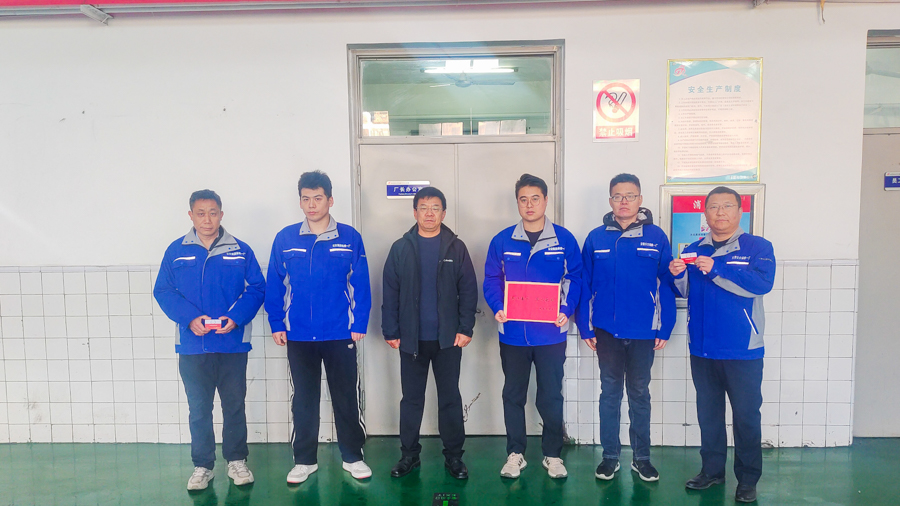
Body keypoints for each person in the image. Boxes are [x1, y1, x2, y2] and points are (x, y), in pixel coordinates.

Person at [668, 186, 775, 503]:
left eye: (727, 206)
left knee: (746, 417)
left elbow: (761, 284)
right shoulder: (693, 249)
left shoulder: (758, 247)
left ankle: (748, 479)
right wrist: (677, 274)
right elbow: (686, 291)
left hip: (743, 349)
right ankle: (712, 471)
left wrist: (717, 268)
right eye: (713, 207)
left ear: (740, 211)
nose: (720, 212)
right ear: (705, 213)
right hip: (703, 349)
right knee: (709, 415)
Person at [265, 171, 372, 484]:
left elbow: (361, 283)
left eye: (318, 198)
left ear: (330, 200)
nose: (311, 205)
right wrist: (277, 322)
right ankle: (304, 460)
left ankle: (353, 457)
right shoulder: (285, 239)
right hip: (299, 334)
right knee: (304, 400)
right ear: (300, 201)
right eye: (306, 199)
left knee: (346, 397)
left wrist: (359, 322)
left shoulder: (349, 237)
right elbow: (276, 284)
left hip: (340, 333)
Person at [153, 189, 265, 491]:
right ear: (191, 216)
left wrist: (236, 317)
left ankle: (237, 461)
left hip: (232, 344)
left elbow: (257, 288)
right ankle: (202, 466)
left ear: (221, 215)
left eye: (213, 213)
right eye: (201, 213)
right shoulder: (176, 251)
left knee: (234, 405)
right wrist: (190, 318)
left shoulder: (241, 251)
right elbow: (163, 290)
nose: (207, 219)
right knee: (199, 409)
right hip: (193, 346)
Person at [576, 173, 676, 482]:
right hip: (606, 330)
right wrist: (585, 327)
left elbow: (667, 284)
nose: (623, 201)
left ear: (640, 200)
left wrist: (665, 327)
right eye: (618, 196)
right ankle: (610, 457)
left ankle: (641, 458)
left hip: (644, 331)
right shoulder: (596, 238)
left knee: (639, 394)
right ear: (610, 201)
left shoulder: (656, 237)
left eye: (630, 196)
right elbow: (584, 284)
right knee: (609, 393)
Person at [483, 173, 582, 480]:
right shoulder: (502, 240)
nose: (529, 205)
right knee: (513, 394)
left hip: (551, 333)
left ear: (545, 201)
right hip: (513, 333)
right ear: (517, 203)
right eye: (523, 199)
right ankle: (515, 453)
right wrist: (498, 306)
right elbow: (492, 279)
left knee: (550, 395)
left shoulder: (564, 240)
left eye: (535, 199)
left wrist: (566, 309)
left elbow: (575, 277)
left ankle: (553, 454)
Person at [382, 186, 478, 480]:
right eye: (423, 208)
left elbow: (468, 290)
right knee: (411, 400)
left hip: (448, 339)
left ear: (443, 213)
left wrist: (465, 328)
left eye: (435, 208)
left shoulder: (456, 248)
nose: (429, 213)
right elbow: (390, 291)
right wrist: (390, 330)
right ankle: (409, 456)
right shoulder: (401, 248)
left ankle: (454, 458)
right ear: (415, 212)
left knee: (450, 399)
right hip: (411, 339)